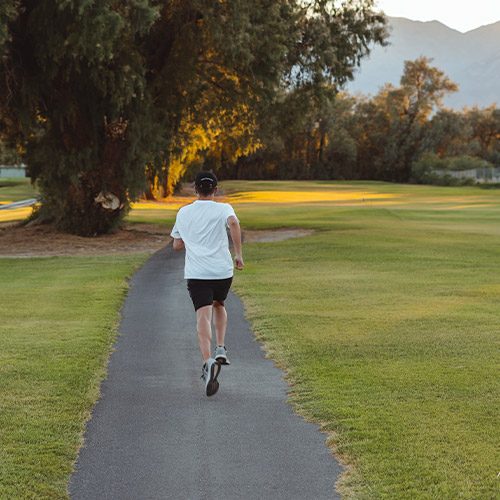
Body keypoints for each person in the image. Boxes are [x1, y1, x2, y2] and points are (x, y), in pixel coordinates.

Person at [170, 172, 244, 396]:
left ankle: (207, 361)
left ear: (195, 189)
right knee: (219, 303)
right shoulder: (224, 209)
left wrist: (190, 240)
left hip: (197, 272)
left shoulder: (184, 212)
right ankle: (221, 347)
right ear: (216, 190)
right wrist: (238, 254)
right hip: (222, 271)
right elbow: (233, 222)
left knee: (203, 315)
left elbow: (176, 245)